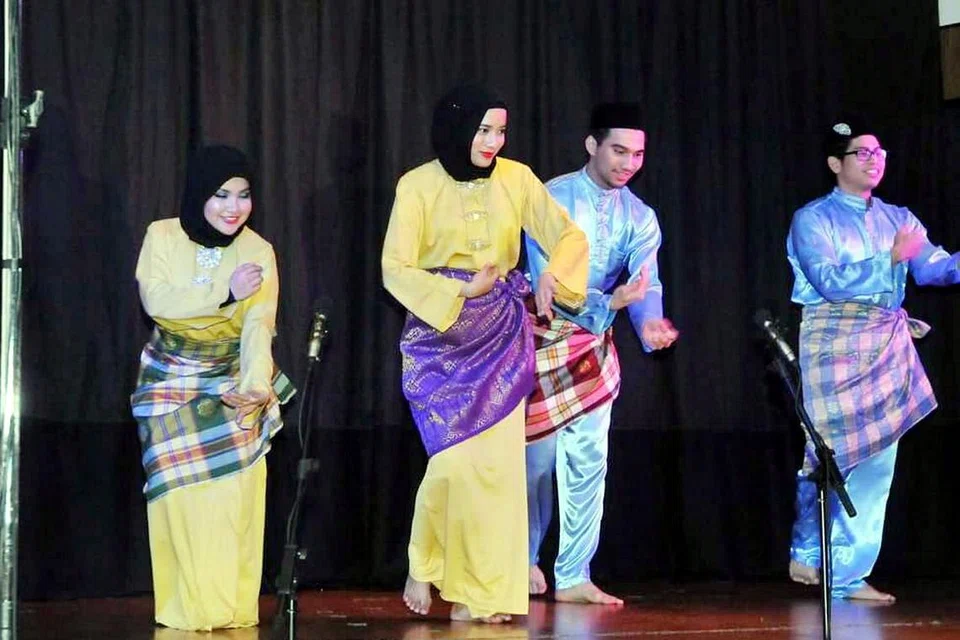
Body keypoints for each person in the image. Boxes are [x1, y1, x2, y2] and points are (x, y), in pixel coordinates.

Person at [381, 84, 589, 623]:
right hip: (439, 332)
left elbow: (568, 237)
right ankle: (423, 562)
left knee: (496, 472)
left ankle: (486, 593)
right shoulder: (417, 185)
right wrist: (457, 293)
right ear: (458, 127)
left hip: (500, 329)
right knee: (451, 464)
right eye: (483, 130)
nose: (493, 141)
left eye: (500, 130)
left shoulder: (517, 178)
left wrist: (552, 277)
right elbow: (395, 268)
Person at [786, 117, 960, 601]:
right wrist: (888, 259)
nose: (874, 159)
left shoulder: (898, 217)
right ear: (834, 163)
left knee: (879, 458)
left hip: (884, 340)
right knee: (826, 452)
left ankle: (846, 573)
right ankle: (808, 553)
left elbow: (936, 267)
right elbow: (827, 280)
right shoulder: (813, 218)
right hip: (831, 339)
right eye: (862, 152)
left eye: (879, 151)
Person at [131, 145, 295, 630]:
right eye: (221, 194)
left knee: (232, 501)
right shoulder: (160, 235)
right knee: (180, 503)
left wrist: (254, 387)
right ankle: (191, 613)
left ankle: (229, 613)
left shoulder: (258, 251)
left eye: (243, 195)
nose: (233, 207)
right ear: (199, 193)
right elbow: (156, 300)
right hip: (167, 380)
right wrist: (223, 292)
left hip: (232, 378)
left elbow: (258, 326)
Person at [524, 102, 678, 605]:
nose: (628, 163)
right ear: (592, 145)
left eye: (637, 153)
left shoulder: (640, 216)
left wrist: (649, 320)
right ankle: (520, 560)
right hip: (540, 338)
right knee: (536, 463)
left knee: (590, 461)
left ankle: (573, 575)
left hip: (593, 344)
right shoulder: (553, 196)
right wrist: (609, 303)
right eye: (618, 150)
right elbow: (547, 282)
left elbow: (644, 282)